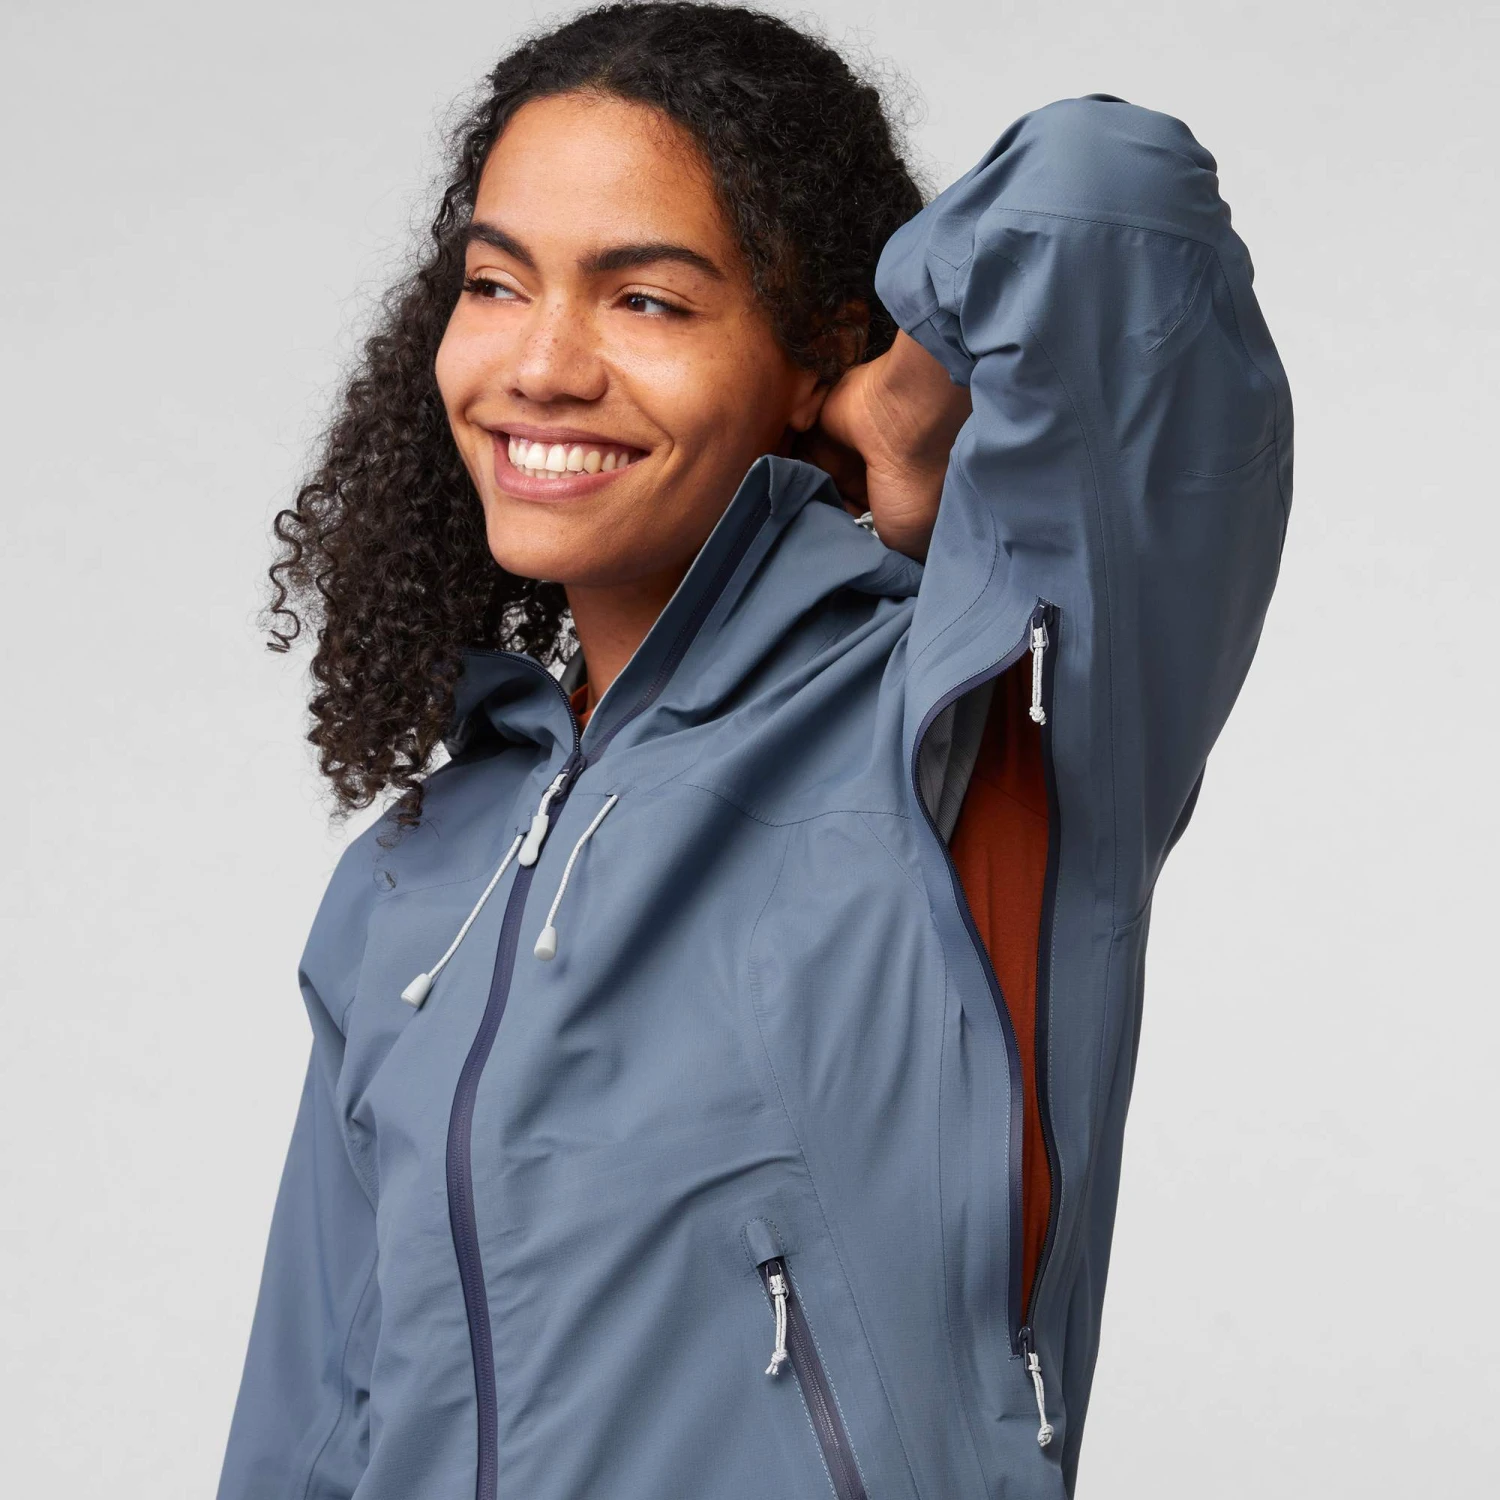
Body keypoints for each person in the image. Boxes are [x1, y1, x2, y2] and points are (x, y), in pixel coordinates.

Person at [218, 4, 1292, 1497]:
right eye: (495, 283)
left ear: (813, 355)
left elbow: (1106, 193)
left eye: (646, 300)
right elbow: (310, 1434)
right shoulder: (408, 880)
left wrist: (907, 398)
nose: (541, 365)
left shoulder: (965, 718)